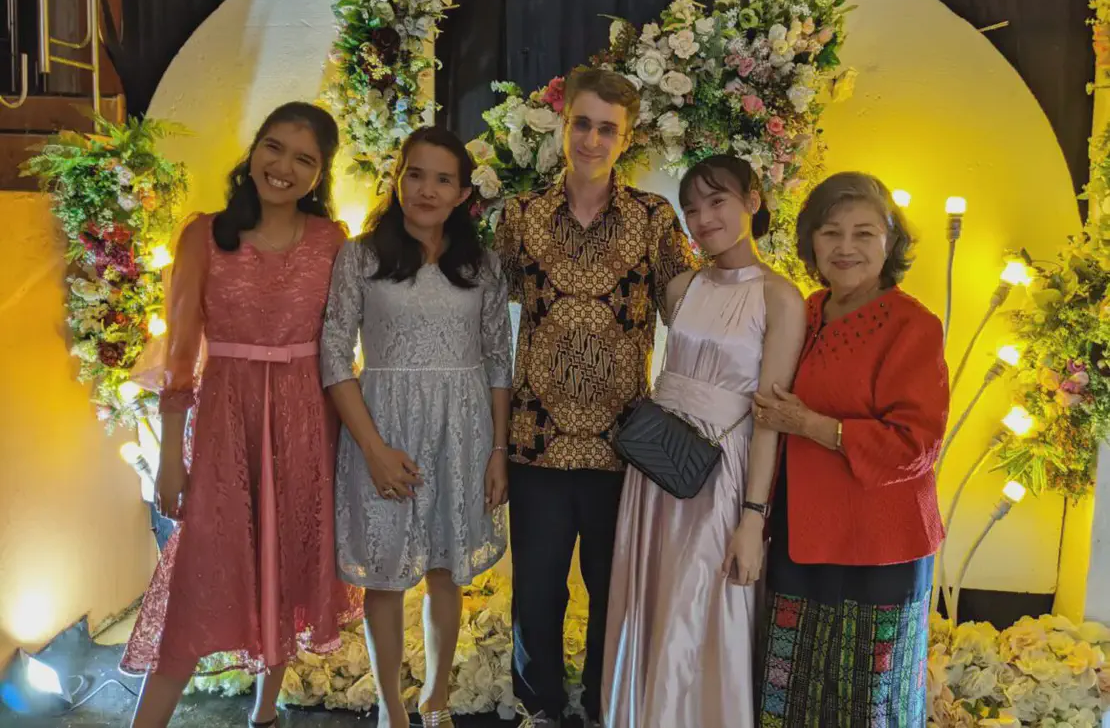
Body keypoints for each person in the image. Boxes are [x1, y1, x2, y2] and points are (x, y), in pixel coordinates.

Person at [122, 102, 361, 728]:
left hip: (309, 428)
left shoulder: (332, 241)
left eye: (303, 159)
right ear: (253, 150)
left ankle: (265, 715)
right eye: (273, 147)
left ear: (320, 172)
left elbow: (344, 345)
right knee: (201, 572)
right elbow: (178, 358)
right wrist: (172, 460)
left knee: (286, 564)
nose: (283, 167)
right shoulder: (204, 234)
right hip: (228, 426)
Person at [493, 67, 696, 727]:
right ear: (565, 125)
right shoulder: (521, 215)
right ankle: (541, 708)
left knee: (614, 595)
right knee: (538, 594)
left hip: (622, 447)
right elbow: (488, 316)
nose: (591, 138)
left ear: (627, 137)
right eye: (582, 122)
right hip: (537, 440)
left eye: (607, 127)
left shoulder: (653, 217)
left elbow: (690, 312)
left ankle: (610, 706)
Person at [602, 155, 805, 727]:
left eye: (717, 201)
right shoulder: (680, 286)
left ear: (752, 200)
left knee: (700, 610)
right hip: (654, 470)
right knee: (653, 604)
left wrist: (753, 517)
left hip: (722, 477)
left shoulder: (781, 298)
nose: (702, 218)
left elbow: (770, 416)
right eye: (691, 208)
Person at [320, 125, 512, 728]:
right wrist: (373, 449)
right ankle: (391, 707)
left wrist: (498, 450)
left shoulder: (482, 265)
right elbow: (332, 355)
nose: (426, 190)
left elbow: (499, 359)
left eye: (443, 179)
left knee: (443, 570)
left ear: (462, 194)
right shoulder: (362, 255)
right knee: (385, 573)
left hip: (463, 430)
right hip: (383, 425)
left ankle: (435, 698)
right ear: (398, 178)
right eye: (415, 174)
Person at [752, 172, 949, 727]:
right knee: (789, 695)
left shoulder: (914, 324)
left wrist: (810, 424)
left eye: (864, 233)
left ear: (891, 243)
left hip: (878, 545)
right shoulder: (805, 310)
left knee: (868, 703)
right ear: (811, 241)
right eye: (830, 232)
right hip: (800, 534)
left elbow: (917, 445)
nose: (845, 247)